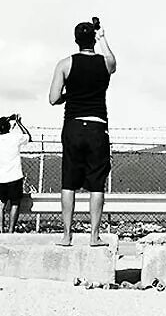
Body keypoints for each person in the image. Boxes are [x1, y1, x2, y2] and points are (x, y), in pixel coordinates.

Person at [48, 18, 117, 247]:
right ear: (93, 40)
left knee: (69, 181)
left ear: (76, 40)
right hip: (97, 126)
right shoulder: (104, 63)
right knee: (96, 184)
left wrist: (71, 95)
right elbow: (113, 62)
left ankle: (67, 236)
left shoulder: (65, 64)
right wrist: (103, 37)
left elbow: (53, 98)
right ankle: (94, 236)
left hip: (73, 125)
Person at [0, 113, 31, 233]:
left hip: (1, 177)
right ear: (8, 126)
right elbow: (28, 136)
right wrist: (19, 123)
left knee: (1, 204)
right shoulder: (15, 137)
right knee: (15, 204)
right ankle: (11, 231)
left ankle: (1, 231)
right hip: (15, 176)